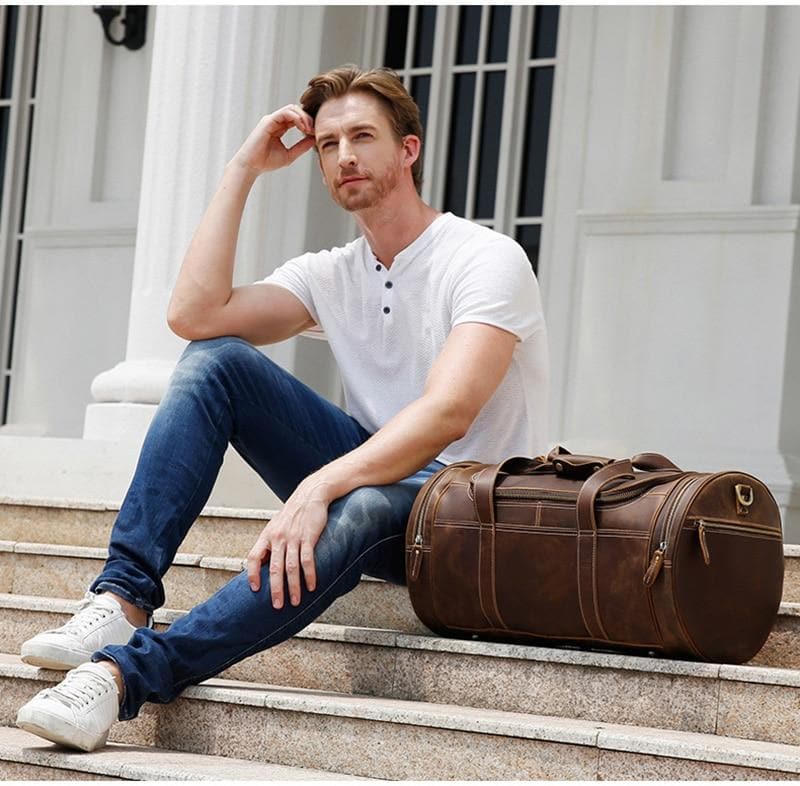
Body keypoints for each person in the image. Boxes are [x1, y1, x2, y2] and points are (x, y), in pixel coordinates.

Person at [15, 65, 549, 752]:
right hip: (380, 477)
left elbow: (449, 412)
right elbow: (194, 315)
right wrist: (242, 169)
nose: (345, 155)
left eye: (363, 136)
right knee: (216, 361)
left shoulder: (486, 259)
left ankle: (125, 676)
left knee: (358, 503)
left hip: (464, 512)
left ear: (408, 149)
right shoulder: (332, 273)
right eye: (329, 144)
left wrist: (319, 485)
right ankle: (122, 599)